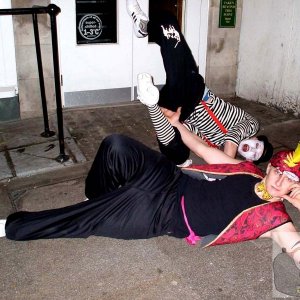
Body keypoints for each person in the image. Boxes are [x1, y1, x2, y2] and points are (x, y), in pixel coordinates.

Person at [1, 134, 300, 264]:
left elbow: (296, 251)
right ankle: (95, 196)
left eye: (291, 181)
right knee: (116, 146)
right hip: (170, 178)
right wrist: (172, 120)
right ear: (270, 166)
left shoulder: (275, 220)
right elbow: (200, 147)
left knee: (83, 221)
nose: (280, 181)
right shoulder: (247, 170)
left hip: (161, 216)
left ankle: (13, 228)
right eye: (280, 172)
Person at [126, 0, 273, 165]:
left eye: (254, 156)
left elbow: (194, 138)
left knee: (175, 149)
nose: (252, 151)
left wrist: (171, 124)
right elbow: (232, 139)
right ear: (256, 138)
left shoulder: (216, 146)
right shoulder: (251, 125)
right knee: (169, 26)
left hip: (180, 109)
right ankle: (143, 27)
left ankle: (153, 103)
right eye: (257, 147)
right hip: (195, 92)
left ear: (248, 159)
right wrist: (228, 168)